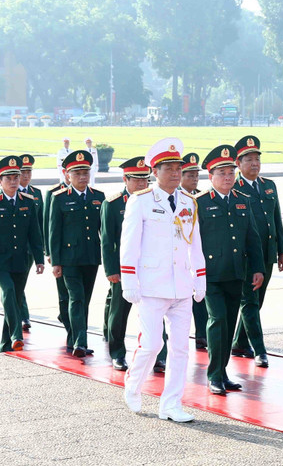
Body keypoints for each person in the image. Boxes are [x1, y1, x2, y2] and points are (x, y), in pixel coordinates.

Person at [120, 137, 205, 422]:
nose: (175, 173)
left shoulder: (189, 202)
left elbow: (195, 244)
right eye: (168, 168)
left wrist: (200, 277)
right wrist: (128, 280)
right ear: (155, 172)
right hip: (152, 285)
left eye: (178, 167)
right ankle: (133, 385)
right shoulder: (141, 200)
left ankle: (171, 404)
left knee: (180, 348)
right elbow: (129, 243)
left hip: (181, 285)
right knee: (152, 344)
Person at [196, 145, 264, 395]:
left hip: (236, 274)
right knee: (218, 321)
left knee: (229, 322)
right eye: (222, 173)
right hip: (211, 276)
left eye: (230, 173)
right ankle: (213, 374)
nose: (227, 177)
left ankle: (223, 373)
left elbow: (252, 238)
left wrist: (257, 268)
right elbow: (192, 243)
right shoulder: (199, 203)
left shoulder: (243, 201)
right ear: (210, 176)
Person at [231, 135, 283, 368]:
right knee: (250, 301)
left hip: (267, 254)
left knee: (257, 300)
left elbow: (276, 219)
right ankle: (260, 350)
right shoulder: (233, 187)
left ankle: (239, 342)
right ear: (239, 164)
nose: (255, 164)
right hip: (245, 257)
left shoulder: (268, 185)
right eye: (249, 160)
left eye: (257, 159)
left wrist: (281, 251)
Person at [0, 156, 45, 352]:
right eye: (9, 178)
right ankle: (17, 334)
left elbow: (35, 232)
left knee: (15, 299)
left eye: (17, 177)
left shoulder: (28, 201)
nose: (14, 181)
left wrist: (39, 259)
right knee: (7, 291)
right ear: (0, 181)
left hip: (21, 260)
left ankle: (6, 344)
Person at [48, 150, 104, 358]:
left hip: (90, 257)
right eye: (77, 173)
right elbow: (54, 232)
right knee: (76, 298)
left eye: (85, 172)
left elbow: (102, 231)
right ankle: (81, 341)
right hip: (69, 258)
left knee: (85, 300)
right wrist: (55, 260)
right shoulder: (60, 198)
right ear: (67, 175)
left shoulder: (98, 197)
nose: (82, 177)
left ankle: (74, 338)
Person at [101, 156, 150, 370]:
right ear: (125, 179)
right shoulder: (112, 204)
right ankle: (118, 353)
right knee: (119, 313)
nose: (141, 184)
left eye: (145, 180)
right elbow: (107, 240)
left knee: (154, 312)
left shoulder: (153, 200)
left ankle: (159, 356)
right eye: (136, 180)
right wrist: (111, 270)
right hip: (124, 269)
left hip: (149, 267)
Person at [180, 153, 208, 351]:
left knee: (200, 298)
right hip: (179, 259)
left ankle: (201, 335)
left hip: (197, 256)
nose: (194, 179)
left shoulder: (200, 198)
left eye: (196, 175)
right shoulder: (177, 197)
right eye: (190, 175)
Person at [43, 167, 71, 344]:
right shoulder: (54, 193)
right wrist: (49, 252)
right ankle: (66, 318)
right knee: (63, 292)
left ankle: (69, 319)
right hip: (59, 251)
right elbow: (48, 224)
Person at [17, 154, 43, 332]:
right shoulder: (10, 191)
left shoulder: (36, 193)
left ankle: (21, 313)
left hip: (29, 248)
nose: (26, 175)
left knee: (21, 282)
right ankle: (22, 315)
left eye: (29, 172)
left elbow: (40, 224)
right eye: (23, 172)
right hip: (13, 248)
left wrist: (41, 251)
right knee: (17, 283)